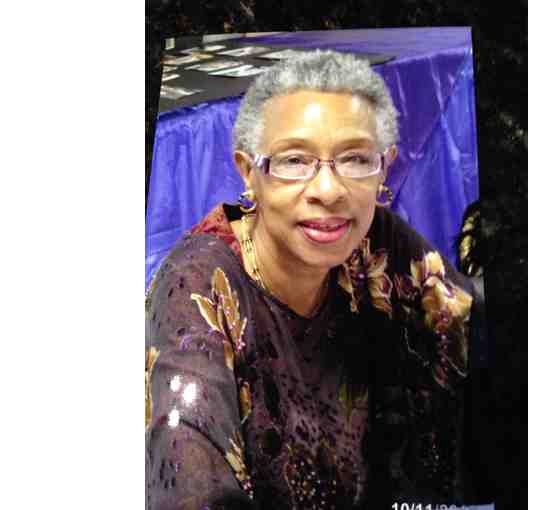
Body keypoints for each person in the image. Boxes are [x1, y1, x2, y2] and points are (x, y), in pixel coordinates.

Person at [145, 49, 483, 510]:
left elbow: (466, 322)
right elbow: (190, 480)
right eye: (293, 161)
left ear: (384, 167)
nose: (328, 190)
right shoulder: (197, 289)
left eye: (356, 159)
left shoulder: (373, 240)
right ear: (249, 172)